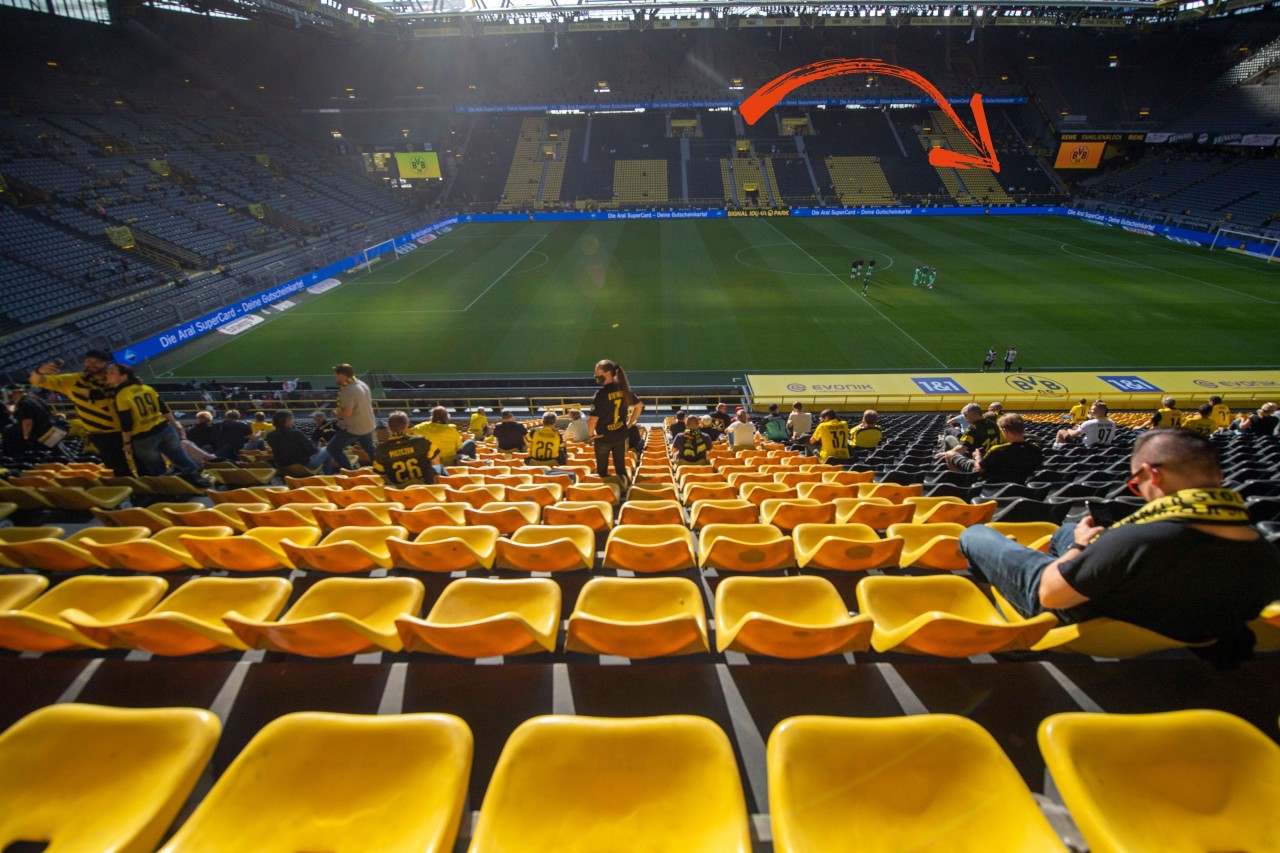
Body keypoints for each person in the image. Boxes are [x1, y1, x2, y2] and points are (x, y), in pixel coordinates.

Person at [959, 430, 1280, 660]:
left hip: (1075, 611)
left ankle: (1003, 611)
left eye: (1135, 483)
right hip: (1172, 620)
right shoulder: (1264, 550)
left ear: (1153, 476)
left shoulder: (1139, 542)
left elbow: (1050, 593)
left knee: (976, 535)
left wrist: (1081, 550)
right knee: (1067, 529)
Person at [29, 349, 127, 475]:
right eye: (89, 360)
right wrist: (39, 371)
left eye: (98, 362)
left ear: (108, 363)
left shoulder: (117, 378)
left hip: (128, 429)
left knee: (138, 461)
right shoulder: (73, 381)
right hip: (101, 434)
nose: (92, 364)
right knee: (117, 467)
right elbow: (36, 380)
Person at [106, 363, 206, 485]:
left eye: (111, 373)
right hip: (165, 429)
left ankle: (174, 491)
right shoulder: (146, 388)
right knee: (183, 460)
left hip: (144, 438)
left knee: (158, 470)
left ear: (124, 376)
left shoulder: (122, 395)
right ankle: (201, 482)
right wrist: (176, 424)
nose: (107, 375)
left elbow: (126, 423)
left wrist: (126, 442)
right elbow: (164, 409)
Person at [948, 413, 1042, 483]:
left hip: (990, 482)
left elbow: (980, 468)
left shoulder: (998, 450)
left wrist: (977, 457)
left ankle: (961, 484)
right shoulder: (1036, 449)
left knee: (949, 454)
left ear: (1004, 430)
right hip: (1020, 481)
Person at [588, 359, 641, 481]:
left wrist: (591, 435)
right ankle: (623, 489)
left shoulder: (600, 394)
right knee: (621, 469)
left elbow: (592, 420)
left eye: (597, 373)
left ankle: (608, 495)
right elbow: (639, 406)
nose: (595, 376)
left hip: (603, 438)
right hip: (620, 436)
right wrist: (629, 423)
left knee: (602, 472)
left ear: (607, 374)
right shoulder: (624, 389)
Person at [323, 363, 377, 472]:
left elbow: (347, 413)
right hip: (368, 425)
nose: (335, 378)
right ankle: (384, 468)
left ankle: (349, 472)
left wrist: (335, 414)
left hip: (355, 428)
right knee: (370, 449)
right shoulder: (362, 384)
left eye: (336, 375)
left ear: (342, 376)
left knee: (332, 448)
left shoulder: (348, 390)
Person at [371, 411, 437, 485]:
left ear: (389, 427)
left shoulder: (381, 449)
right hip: (426, 490)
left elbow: (380, 475)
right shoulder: (422, 441)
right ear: (407, 425)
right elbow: (436, 463)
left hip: (399, 493)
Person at [264, 410, 330, 472]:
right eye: (291, 419)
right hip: (302, 465)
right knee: (329, 449)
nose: (292, 422)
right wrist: (318, 447)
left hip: (281, 465)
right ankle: (328, 476)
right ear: (287, 420)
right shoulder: (295, 433)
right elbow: (311, 451)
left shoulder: (270, 435)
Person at [411, 406, 476, 468]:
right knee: (470, 442)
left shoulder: (419, 428)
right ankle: (473, 467)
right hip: (450, 462)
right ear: (446, 417)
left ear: (432, 417)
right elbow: (459, 448)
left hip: (430, 463)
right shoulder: (451, 429)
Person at [938, 403, 1002, 462]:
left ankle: (947, 459)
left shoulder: (972, 428)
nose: (966, 419)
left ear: (974, 415)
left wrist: (945, 453)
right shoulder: (994, 424)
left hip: (973, 457)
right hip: (991, 457)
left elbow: (961, 449)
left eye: (966, 416)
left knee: (949, 438)